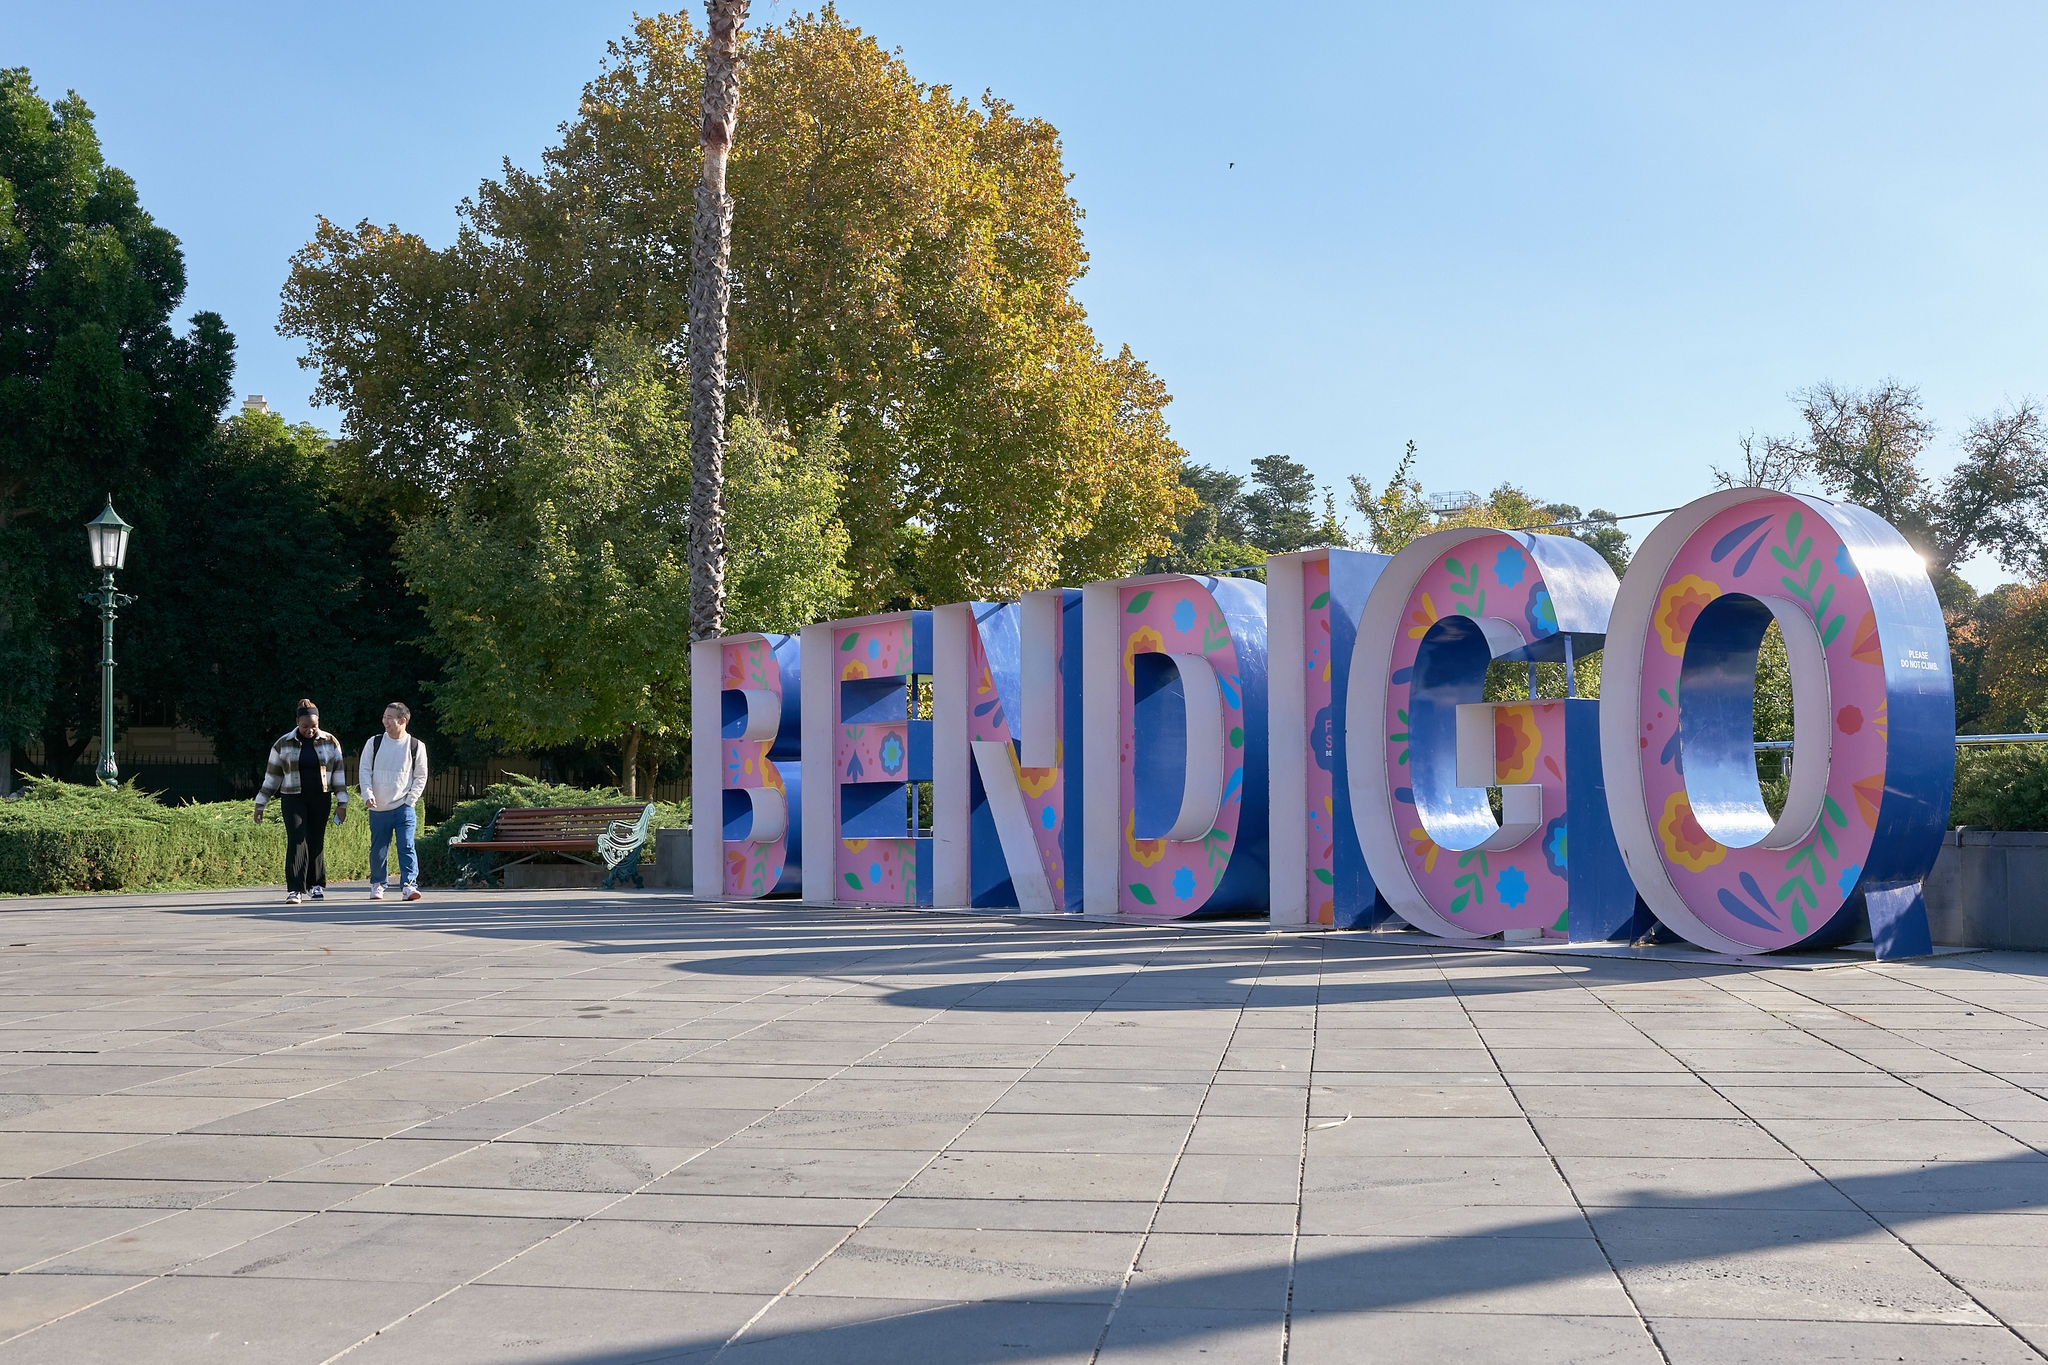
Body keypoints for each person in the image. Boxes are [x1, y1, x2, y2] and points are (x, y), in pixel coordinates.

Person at [254, 700, 349, 904]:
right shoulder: (283, 743)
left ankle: (316, 885)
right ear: (297, 722)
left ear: (318, 722)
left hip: (320, 797)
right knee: (297, 839)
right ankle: (295, 889)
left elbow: (339, 775)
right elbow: (272, 777)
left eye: (313, 726)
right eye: (305, 726)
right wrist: (260, 803)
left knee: (316, 839)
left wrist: (342, 803)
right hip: (292, 797)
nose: (309, 730)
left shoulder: (330, 742)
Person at [359, 702, 429, 902]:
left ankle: (409, 885)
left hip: (403, 806)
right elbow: (364, 770)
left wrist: (410, 800)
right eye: (384, 717)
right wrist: (367, 794)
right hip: (378, 806)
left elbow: (421, 776)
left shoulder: (416, 745)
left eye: (390, 717)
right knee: (378, 848)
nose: (385, 721)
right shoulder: (374, 742)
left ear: (402, 721)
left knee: (406, 845)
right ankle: (378, 884)